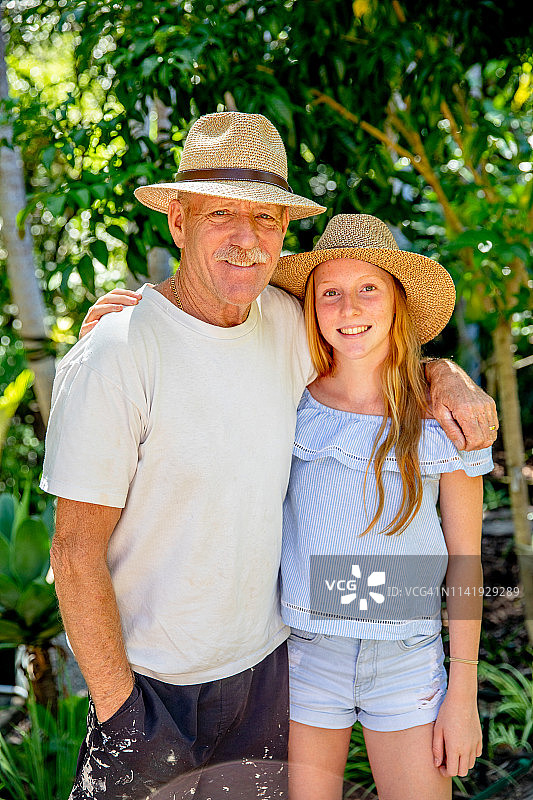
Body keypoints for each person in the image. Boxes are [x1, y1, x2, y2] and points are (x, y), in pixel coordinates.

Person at [42, 111, 497, 800]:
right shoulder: (122, 350)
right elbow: (73, 552)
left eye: (265, 217)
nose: (245, 237)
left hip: (272, 672)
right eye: (221, 212)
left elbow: (371, 355)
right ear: (178, 222)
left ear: (284, 230)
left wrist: (444, 375)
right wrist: (121, 712)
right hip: (158, 684)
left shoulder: (287, 327)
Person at [269, 213, 492, 800]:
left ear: (397, 302)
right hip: (306, 653)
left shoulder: (443, 418)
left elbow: (466, 561)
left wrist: (463, 691)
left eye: (368, 288)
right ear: (311, 307)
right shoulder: (288, 400)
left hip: (408, 657)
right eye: (330, 293)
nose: (349, 308)